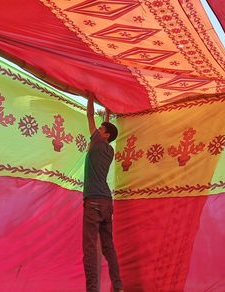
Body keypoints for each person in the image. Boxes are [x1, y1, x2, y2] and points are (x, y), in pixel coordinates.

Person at [83, 93, 123, 292]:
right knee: (108, 247)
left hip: (93, 202)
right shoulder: (109, 150)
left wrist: (89, 94)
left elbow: (89, 115)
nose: (97, 130)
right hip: (107, 203)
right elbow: (108, 127)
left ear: (105, 135)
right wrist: (107, 113)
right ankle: (118, 287)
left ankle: (92, 289)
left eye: (101, 129)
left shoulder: (98, 143)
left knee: (90, 248)